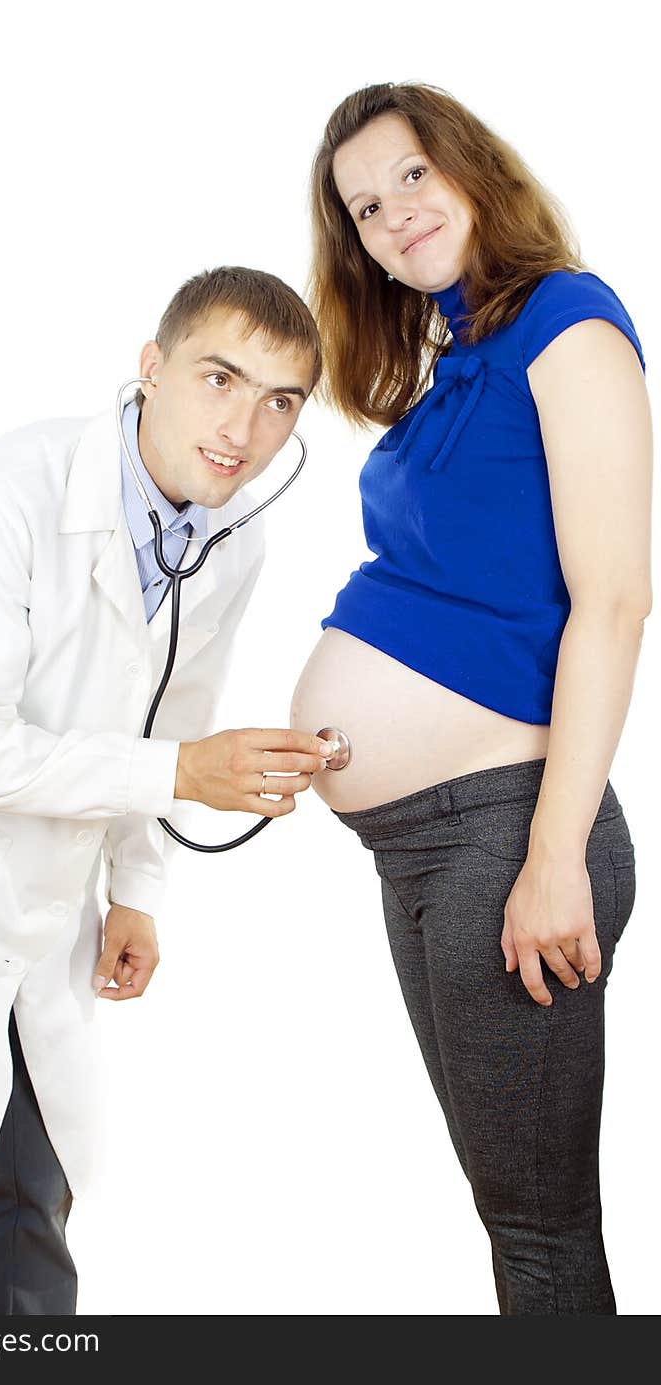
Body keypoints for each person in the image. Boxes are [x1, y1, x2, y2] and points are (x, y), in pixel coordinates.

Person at [0, 265, 333, 1315]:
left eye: (279, 402)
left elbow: (172, 706)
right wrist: (180, 774)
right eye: (220, 378)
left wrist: (137, 888)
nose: (243, 427)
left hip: (47, 893)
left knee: (36, 1189)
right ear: (150, 367)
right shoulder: (7, 494)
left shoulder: (231, 533)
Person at [290, 83, 652, 1315]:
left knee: (542, 1231)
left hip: (509, 832)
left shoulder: (569, 321)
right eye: (361, 207)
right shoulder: (457, 359)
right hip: (421, 850)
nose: (390, 216)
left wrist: (553, 855)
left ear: (468, 167)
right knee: (512, 1220)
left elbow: (612, 603)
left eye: (407, 178)